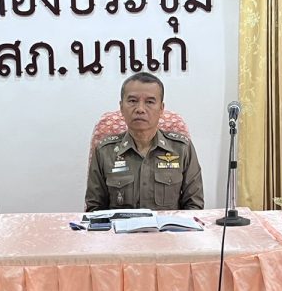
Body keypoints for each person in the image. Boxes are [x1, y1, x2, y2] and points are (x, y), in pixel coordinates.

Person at [85, 72, 203, 211]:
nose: (140, 109)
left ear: (161, 109)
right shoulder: (105, 151)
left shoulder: (182, 149)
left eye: (150, 102)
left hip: (169, 226)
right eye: (132, 101)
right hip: (120, 226)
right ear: (121, 107)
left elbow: (194, 206)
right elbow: (95, 209)